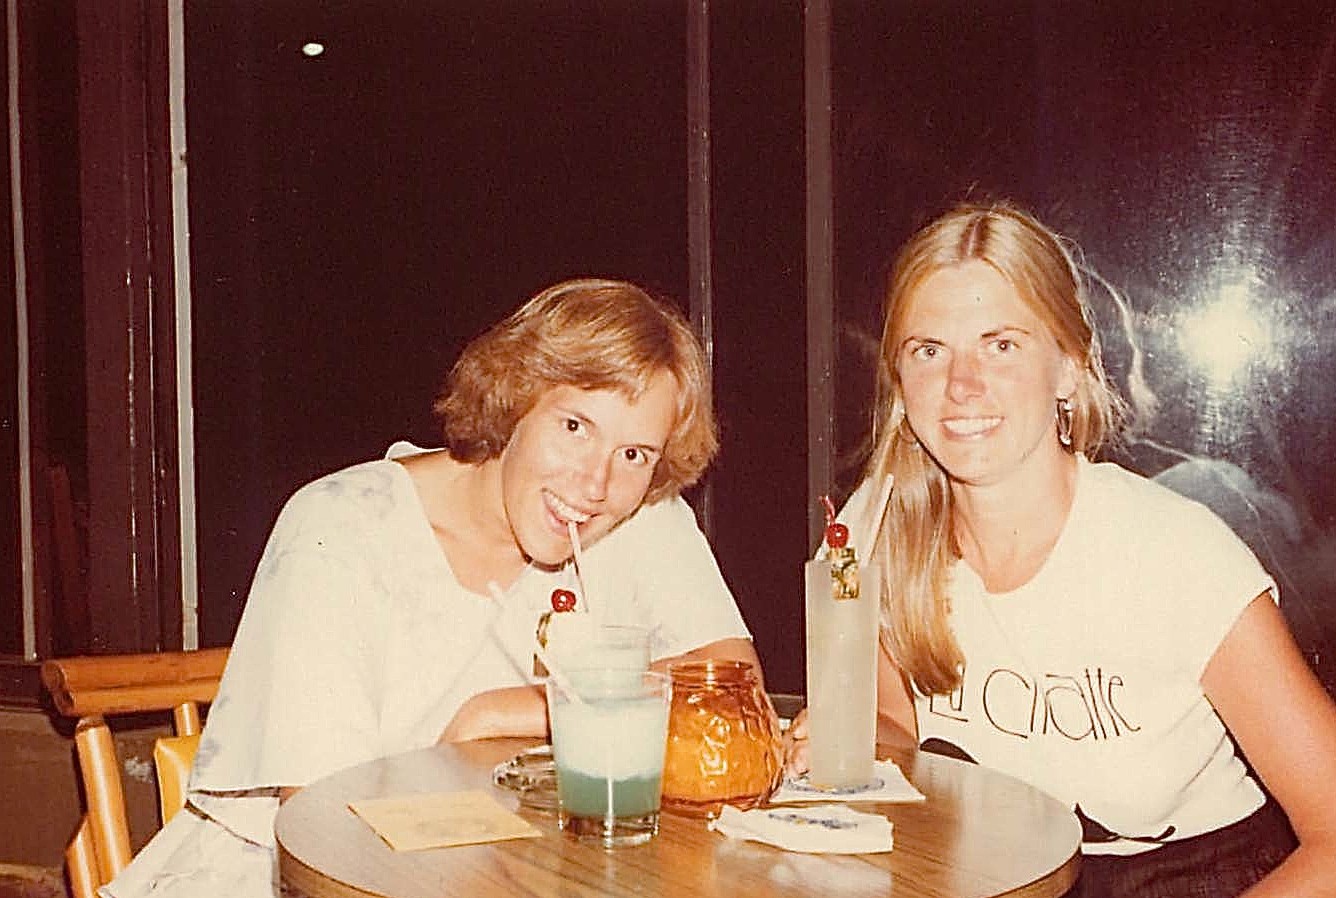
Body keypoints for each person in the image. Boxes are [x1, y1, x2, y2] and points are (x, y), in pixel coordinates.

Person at [104, 278, 762, 898]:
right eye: (574, 426)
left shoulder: (633, 514)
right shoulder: (345, 525)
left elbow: (731, 683)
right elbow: (321, 827)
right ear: (514, 398)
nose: (595, 483)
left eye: (634, 453)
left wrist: (501, 711)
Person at [788, 202, 1336, 896]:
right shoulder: (872, 526)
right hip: (988, 876)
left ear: (1069, 367)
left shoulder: (1176, 555)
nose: (962, 385)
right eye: (930, 350)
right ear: (899, 379)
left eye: (1001, 344)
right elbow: (890, 719)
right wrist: (852, 742)